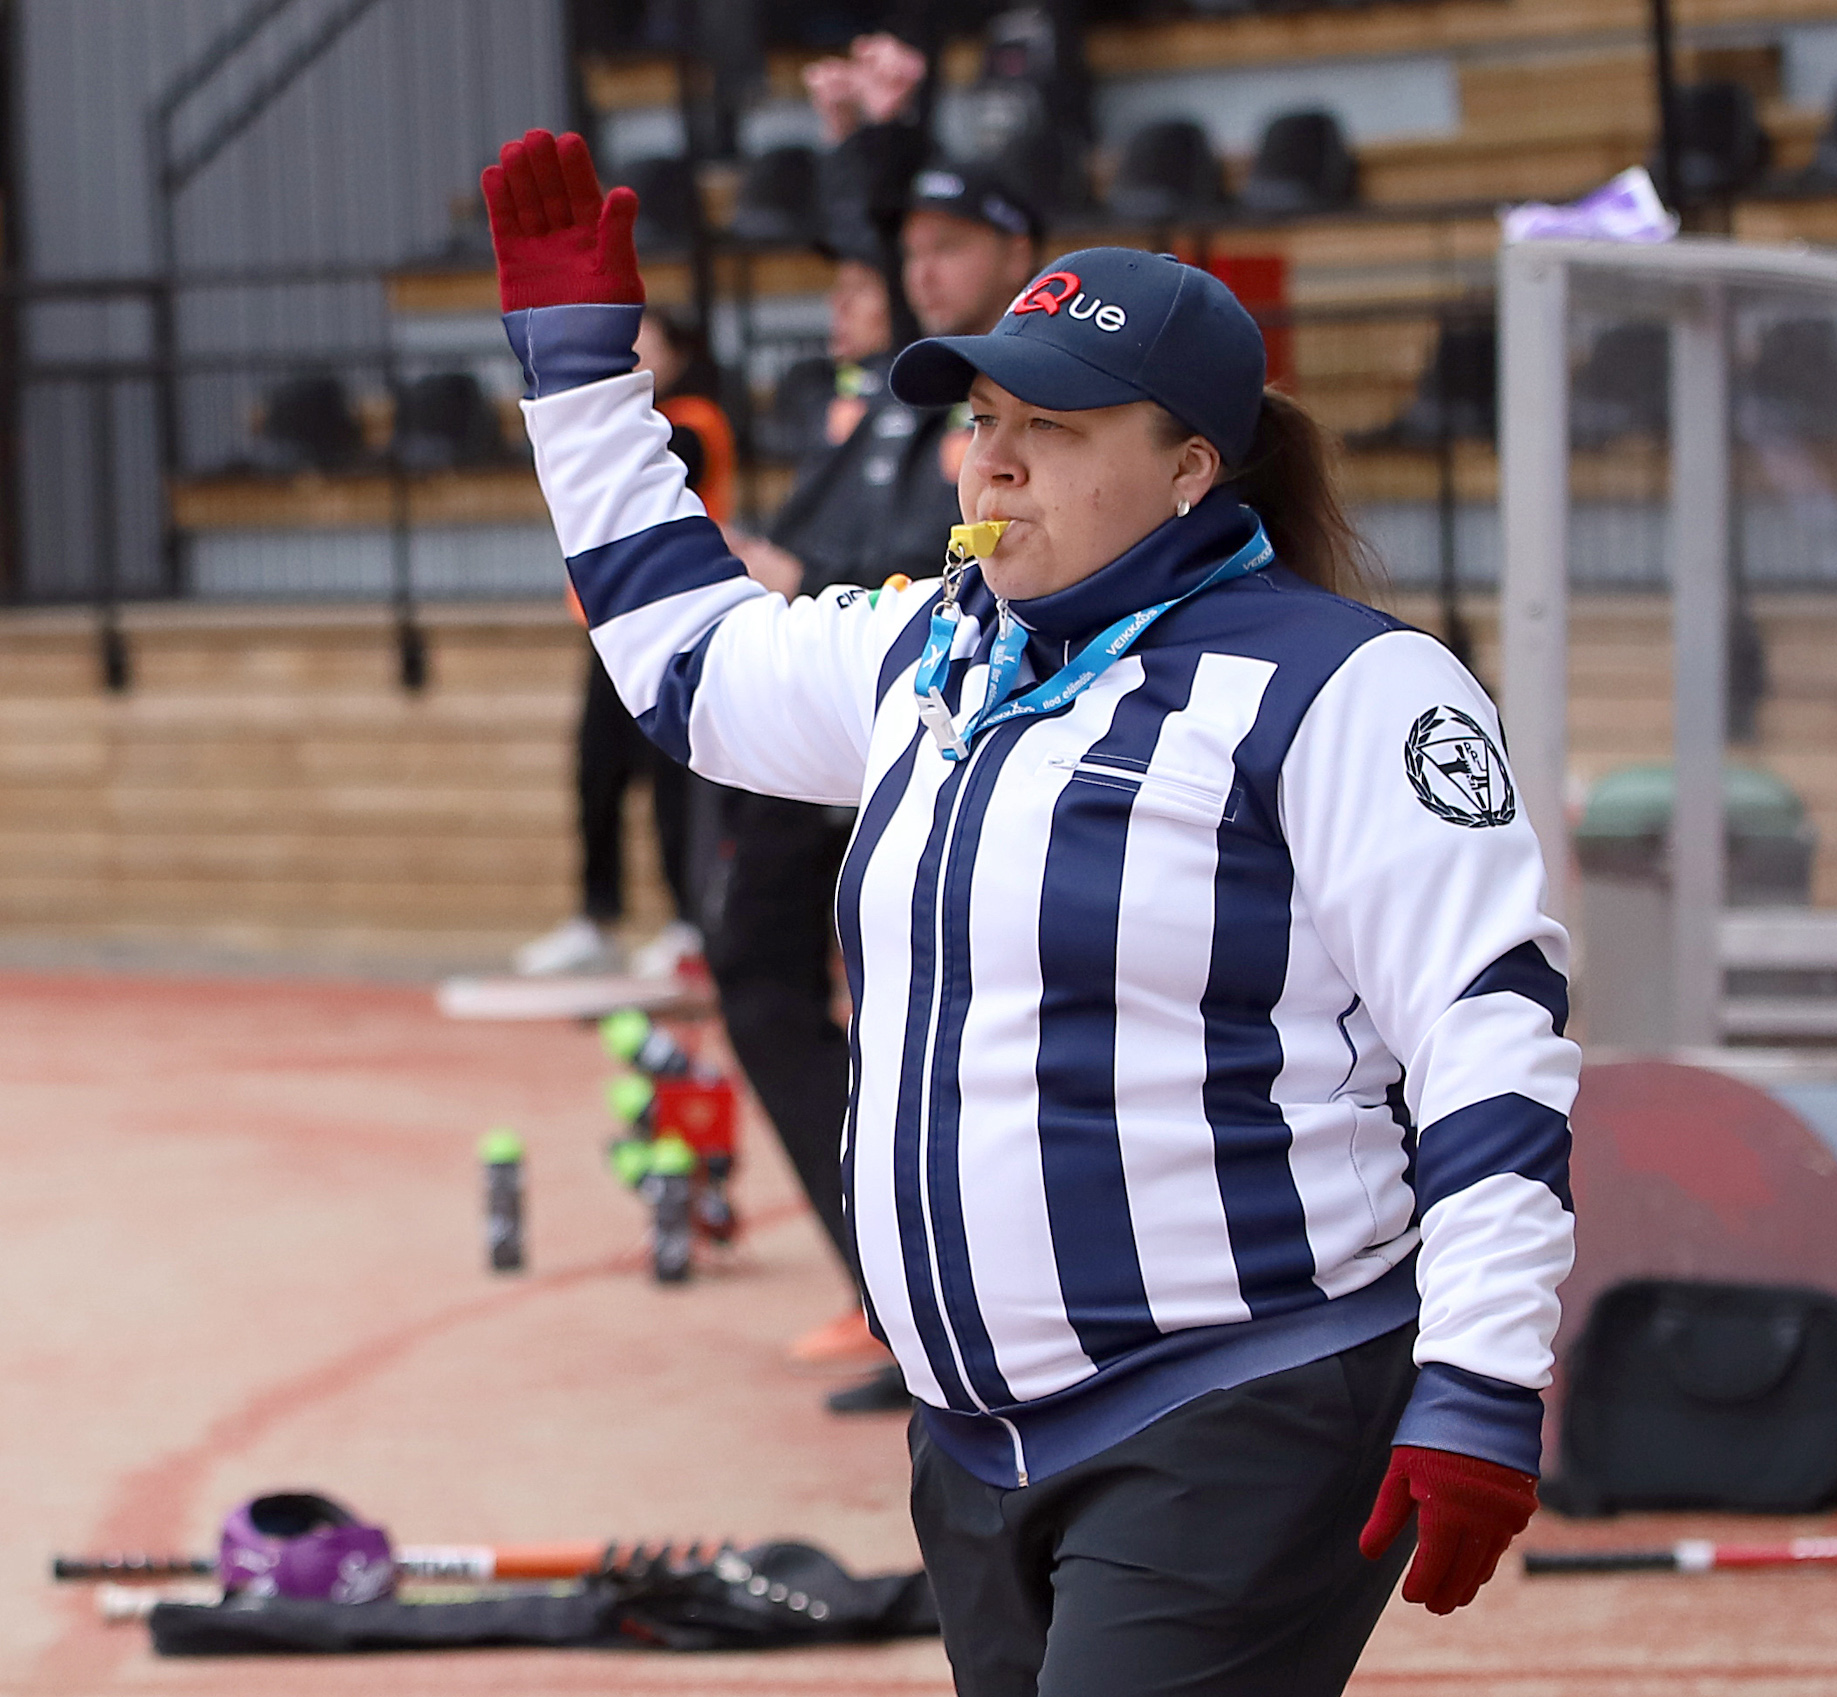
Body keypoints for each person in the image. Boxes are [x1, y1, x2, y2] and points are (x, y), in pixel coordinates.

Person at [484, 129, 1577, 1693]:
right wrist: (583, 377)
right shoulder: (934, 650)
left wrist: (1480, 1375)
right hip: (976, 1447)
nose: (990, 462)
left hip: (1240, 1404)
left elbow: (1491, 1039)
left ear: (1194, 467)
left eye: (1050, 428)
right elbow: (686, 662)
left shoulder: (1347, 685)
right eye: (983, 419)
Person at [717, 40, 1047, 1412]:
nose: (917, 268)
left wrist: (808, 580)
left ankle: (948, 1304)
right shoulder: (902, 388)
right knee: (757, 975)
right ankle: (888, 1283)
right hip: (819, 732)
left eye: (948, 246)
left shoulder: (1035, 394)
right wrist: (866, 133)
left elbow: (990, 564)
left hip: (937, 728)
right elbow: (886, 233)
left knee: (938, 1028)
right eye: (907, 250)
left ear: (1019, 252)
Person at [514, 307, 735, 978]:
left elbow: (648, 465)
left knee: (674, 781)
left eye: (647, 341)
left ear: (677, 352)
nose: (633, 349)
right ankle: (597, 916)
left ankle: (689, 923)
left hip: (675, 623)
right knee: (597, 773)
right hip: (608, 628)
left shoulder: (693, 422)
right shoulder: (622, 428)